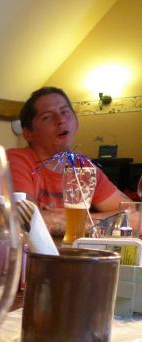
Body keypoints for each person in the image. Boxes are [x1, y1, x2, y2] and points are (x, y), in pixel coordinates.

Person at [8, 87, 129, 236]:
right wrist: (100, 222)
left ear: (76, 121)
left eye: (65, 112)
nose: (61, 120)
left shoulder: (83, 167)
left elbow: (136, 215)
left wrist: (79, 220)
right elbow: (21, 221)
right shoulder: (17, 161)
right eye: (47, 117)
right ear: (28, 133)